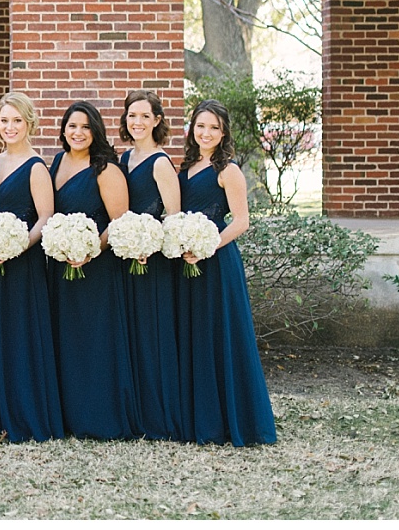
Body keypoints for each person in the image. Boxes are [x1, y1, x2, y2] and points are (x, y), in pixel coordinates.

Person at [177, 99, 277, 446]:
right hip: (185, 260)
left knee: (222, 336)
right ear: (192, 129)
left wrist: (207, 247)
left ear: (223, 133)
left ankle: (234, 420)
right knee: (194, 336)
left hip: (216, 262)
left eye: (214, 128)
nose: (206, 133)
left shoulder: (227, 170)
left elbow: (242, 220)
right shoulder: (185, 166)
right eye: (201, 126)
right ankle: (198, 419)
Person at [47, 100, 137, 440]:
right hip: (60, 267)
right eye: (72, 126)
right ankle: (70, 416)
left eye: (85, 127)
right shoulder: (57, 162)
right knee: (67, 341)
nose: (78, 132)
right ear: (64, 130)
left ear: (95, 130)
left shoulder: (105, 168)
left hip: (96, 269)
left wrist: (88, 251)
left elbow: (119, 222)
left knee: (95, 341)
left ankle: (100, 417)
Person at [0, 92, 64, 442]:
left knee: (21, 337)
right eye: (4, 121)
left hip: (23, 263)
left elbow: (45, 215)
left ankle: (26, 416)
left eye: (17, 120)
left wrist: (17, 246)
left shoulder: (36, 167)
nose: (10, 127)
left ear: (29, 123)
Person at [118, 90, 183, 441]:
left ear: (157, 120)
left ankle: (160, 417)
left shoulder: (160, 162)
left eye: (144, 116)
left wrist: (149, 246)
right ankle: (135, 413)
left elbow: (173, 216)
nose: (137, 122)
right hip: (124, 257)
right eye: (132, 116)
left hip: (151, 261)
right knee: (131, 337)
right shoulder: (124, 158)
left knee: (152, 336)